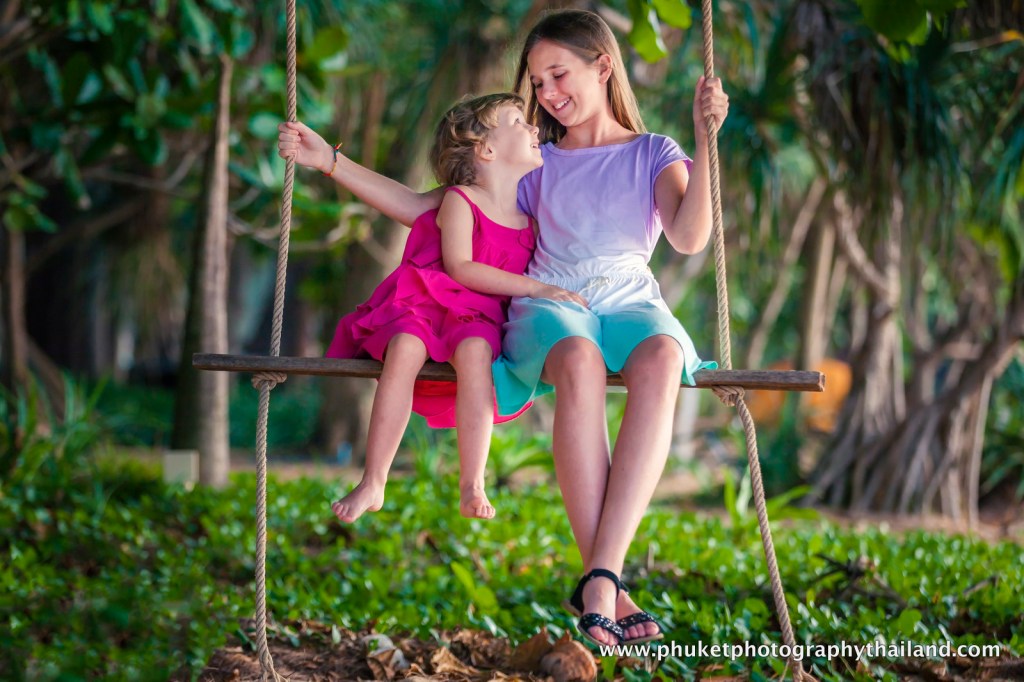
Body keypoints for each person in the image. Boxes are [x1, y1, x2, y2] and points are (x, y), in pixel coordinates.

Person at [280, 8, 729, 648]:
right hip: (552, 304)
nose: (546, 95)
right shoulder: (533, 163)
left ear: (603, 65)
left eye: (557, 75)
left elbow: (687, 239)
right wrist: (329, 162)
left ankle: (602, 576)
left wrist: (705, 136)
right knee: (577, 356)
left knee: (660, 355)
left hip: (630, 296)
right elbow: (421, 207)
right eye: (537, 82)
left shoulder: (652, 153)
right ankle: (603, 581)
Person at [277, 93, 586, 522]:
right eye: (519, 121)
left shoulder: (531, 213)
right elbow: (459, 265)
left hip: (478, 319)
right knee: (405, 347)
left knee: (477, 352)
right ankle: (374, 479)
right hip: (429, 302)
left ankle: (472, 483)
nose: (534, 128)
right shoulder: (460, 199)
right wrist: (538, 288)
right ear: (487, 149)